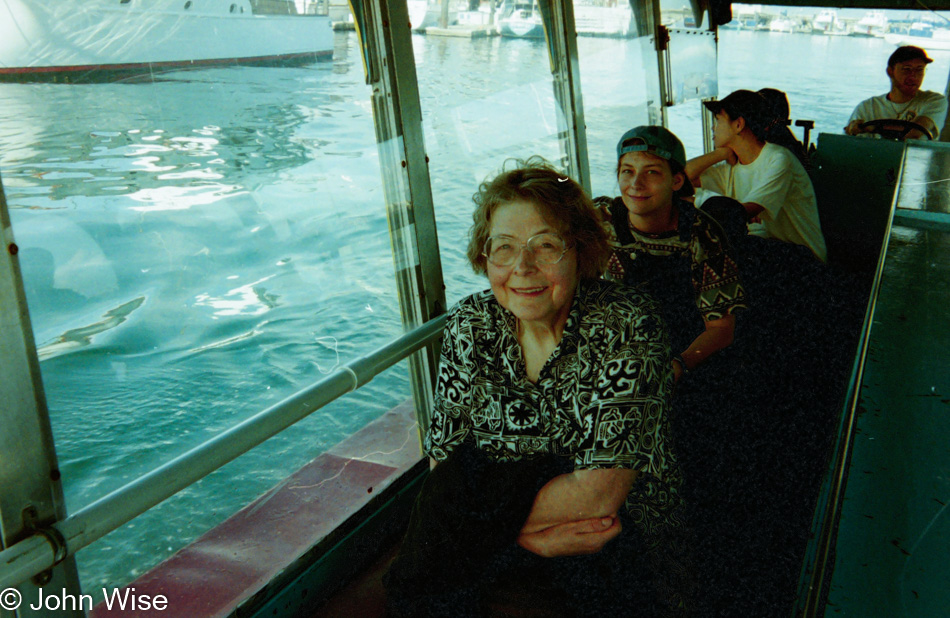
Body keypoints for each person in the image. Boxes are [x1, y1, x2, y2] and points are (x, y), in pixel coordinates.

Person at [384, 159, 690, 617]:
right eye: (503, 248)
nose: (522, 267)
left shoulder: (627, 324)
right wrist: (524, 539)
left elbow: (598, 497)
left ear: (581, 250)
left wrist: (475, 522)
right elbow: (443, 460)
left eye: (545, 245)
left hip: (615, 542)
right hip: (522, 544)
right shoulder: (472, 324)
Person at [595, 125, 746, 382]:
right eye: (627, 172)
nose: (635, 184)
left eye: (651, 172)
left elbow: (721, 329)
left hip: (683, 356)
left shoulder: (702, 235)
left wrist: (676, 367)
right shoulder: (599, 221)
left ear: (676, 181)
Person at [685, 89, 828, 262]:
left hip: (805, 258)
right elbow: (680, 180)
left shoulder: (778, 159)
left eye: (718, 120)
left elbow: (738, 214)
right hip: (771, 251)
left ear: (738, 125)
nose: (713, 127)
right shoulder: (731, 167)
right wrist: (720, 154)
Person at [845, 45, 948, 140]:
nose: (913, 76)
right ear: (890, 72)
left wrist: (872, 128)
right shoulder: (867, 107)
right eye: (907, 69)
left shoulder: (934, 101)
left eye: (919, 70)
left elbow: (916, 133)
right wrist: (853, 129)